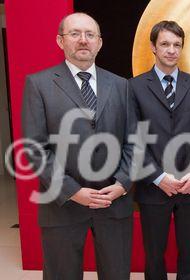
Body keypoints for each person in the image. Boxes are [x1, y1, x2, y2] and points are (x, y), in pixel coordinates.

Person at [22, 13, 135, 279]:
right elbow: (35, 149)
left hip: (113, 202)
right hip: (63, 204)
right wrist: (73, 191)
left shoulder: (121, 85)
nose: (83, 40)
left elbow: (134, 142)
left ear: (99, 43)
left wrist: (122, 184)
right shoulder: (38, 84)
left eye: (90, 35)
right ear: (60, 41)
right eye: (75, 34)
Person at [129, 20, 190, 280]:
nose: (171, 50)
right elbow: (132, 139)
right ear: (153, 47)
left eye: (177, 44)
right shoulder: (134, 86)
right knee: (154, 255)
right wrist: (158, 177)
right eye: (165, 44)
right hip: (152, 185)